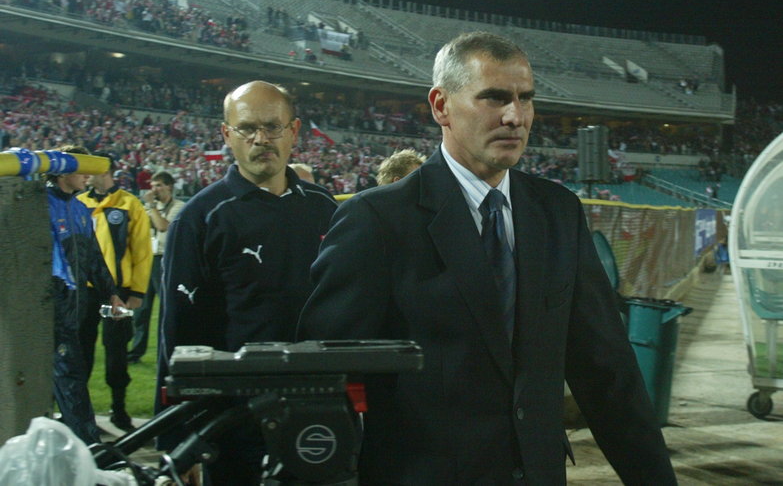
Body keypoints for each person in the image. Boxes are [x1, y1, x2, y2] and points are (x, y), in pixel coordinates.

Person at [298, 32, 676, 485]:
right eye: (494, 98)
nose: (515, 116)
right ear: (441, 106)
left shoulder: (558, 213)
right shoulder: (376, 220)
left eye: (525, 99)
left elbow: (607, 371)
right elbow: (319, 378)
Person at [157, 80, 337, 484]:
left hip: (319, 411)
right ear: (226, 134)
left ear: (294, 130)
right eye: (247, 128)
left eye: (273, 127)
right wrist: (178, 438)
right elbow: (178, 332)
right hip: (234, 420)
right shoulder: (200, 218)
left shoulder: (325, 209)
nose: (261, 139)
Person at [46, 145, 120, 445]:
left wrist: (111, 293)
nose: (88, 175)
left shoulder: (79, 208)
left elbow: (92, 258)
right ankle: (89, 448)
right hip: (47, 310)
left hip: (73, 310)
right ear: (63, 170)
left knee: (59, 381)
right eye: (82, 168)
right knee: (71, 380)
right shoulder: (37, 203)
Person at [78, 152, 152, 432]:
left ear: (106, 170)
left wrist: (137, 292)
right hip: (84, 292)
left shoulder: (129, 204)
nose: (87, 173)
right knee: (81, 350)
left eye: (92, 168)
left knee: (116, 352)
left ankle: (119, 411)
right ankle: (82, 414)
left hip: (118, 292)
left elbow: (142, 251)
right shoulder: (79, 202)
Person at [127, 171, 185, 364]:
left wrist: (151, 207)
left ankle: (167, 350)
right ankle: (135, 352)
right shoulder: (151, 208)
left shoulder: (179, 207)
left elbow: (162, 226)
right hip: (148, 259)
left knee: (165, 309)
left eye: (159, 185)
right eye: (152, 186)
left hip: (165, 260)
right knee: (141, 310)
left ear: (169, 186)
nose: (154, 190)